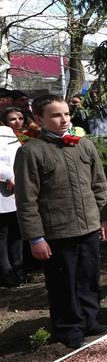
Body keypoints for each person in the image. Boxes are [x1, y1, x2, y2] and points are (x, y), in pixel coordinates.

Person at [14, 94, 107, 349]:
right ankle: (68, 329)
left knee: (88, 278)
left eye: (67, 114)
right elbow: (27, 199)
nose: (64, 120)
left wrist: (104, 218)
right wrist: (35, 237)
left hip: (89, 226)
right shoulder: (31, 152)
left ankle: (90, 320)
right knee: (63, 284)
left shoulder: (84, 145)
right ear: (39, 119)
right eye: (56, 115)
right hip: (57, 231)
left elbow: (99, 185)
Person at [0, 123, 23, 287]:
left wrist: (16, 175)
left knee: (16, 231)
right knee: (2, 234)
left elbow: (18, 155)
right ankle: (5, 272)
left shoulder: (6, 131)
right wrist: (7, 175)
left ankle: (19, 268)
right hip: (4, 188)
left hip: (16, 189)